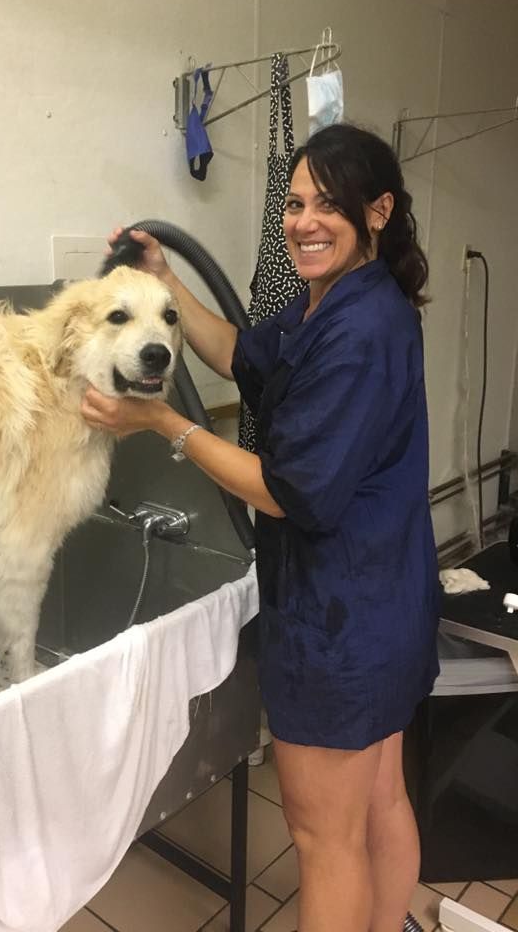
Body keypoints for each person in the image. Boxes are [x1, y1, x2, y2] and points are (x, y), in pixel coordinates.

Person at [81, 123, 440, 932]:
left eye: (329, 205)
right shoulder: (331, 302)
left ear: (378, 211)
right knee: (380, 798)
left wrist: (157, 423)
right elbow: (242, 350)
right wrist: (167, 276)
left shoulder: (360, 330)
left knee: (322, 837)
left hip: (343, 622)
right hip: (384, 601)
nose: (304, 222)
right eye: (295, 203)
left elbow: (287, 493)